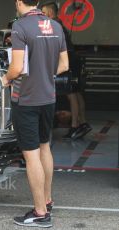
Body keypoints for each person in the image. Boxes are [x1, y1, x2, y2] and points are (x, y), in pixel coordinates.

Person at [2, 0, 69, 227]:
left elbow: (17, 67)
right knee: (44, 148)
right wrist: (44, 73)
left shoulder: (20, 26)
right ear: (38, 2)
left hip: (26, 99)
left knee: (31, 156)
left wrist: (6, 78)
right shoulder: (56, 26)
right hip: (48, 98)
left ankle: (40, 213)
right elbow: (64, 65)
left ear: (19, 2)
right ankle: (47, 200)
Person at [41, 1, 92, 140]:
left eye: (43, 14)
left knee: (71, 94)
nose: (42, 16)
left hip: (66, 62)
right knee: (76, 92)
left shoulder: (55, 26)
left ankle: (75, 125)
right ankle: (83, 122)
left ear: (50, 14)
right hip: (72, 61)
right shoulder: (59, 25)